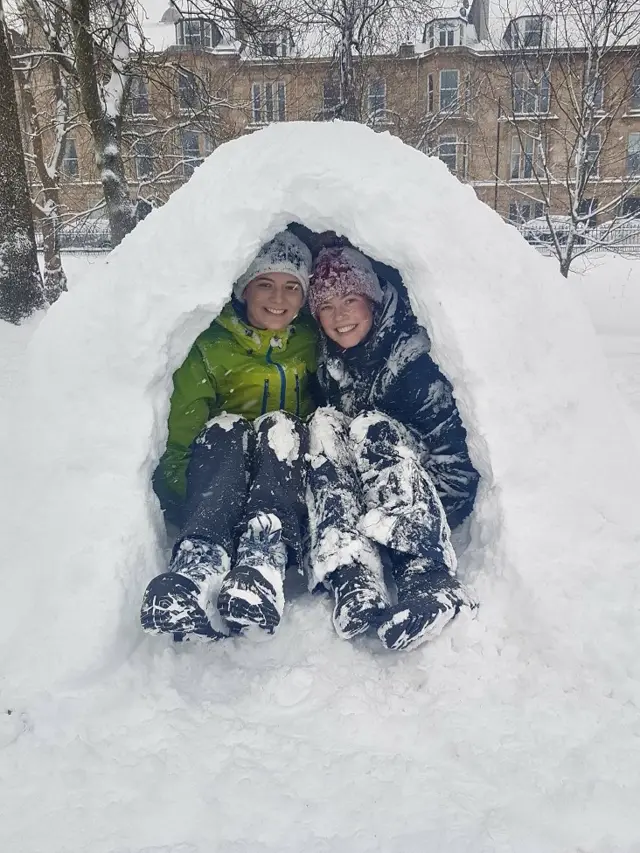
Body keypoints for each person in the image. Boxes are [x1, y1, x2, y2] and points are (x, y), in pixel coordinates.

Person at [140, 230, 318, 641]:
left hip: (279, 477)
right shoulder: (211, 345)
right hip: (222, 477)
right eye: (265, 284)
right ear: (244, 289)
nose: (279, 298)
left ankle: (263, 558)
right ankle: (198, 562)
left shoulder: (309, 340)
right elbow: (184, 427)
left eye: (293, 287)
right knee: (226, 426)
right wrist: (181, 492)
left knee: (282, 425)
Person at [306, 246, 480, 651]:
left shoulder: (412, 366)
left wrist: (411, 518)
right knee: (324, 424)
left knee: (371, 426)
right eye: (327, 307)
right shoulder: (332, 363)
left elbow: (454, 468)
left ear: (373, 300)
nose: (340, 316)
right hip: (374, 497)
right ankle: (355, 573)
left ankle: (427, 576)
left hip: (423, 496)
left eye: (350, 300)